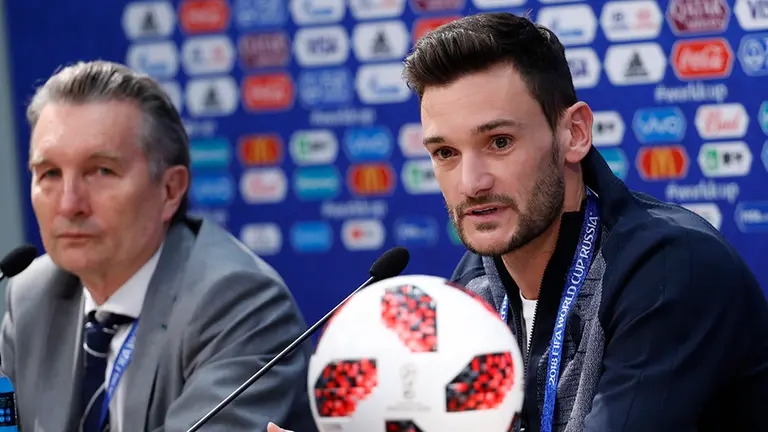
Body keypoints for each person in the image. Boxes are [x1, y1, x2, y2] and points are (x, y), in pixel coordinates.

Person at [271, 10, 768, 432]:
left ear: (573, 133)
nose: (471, 182)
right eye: (445, 152)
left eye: (499, 142)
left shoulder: (671, 270)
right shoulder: (474, 284)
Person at [0, 60, 318, 432]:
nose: (70, 204)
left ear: (170, 190)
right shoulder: (31, 294)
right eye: (50, 174)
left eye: (101, 171)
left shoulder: (240, 302)